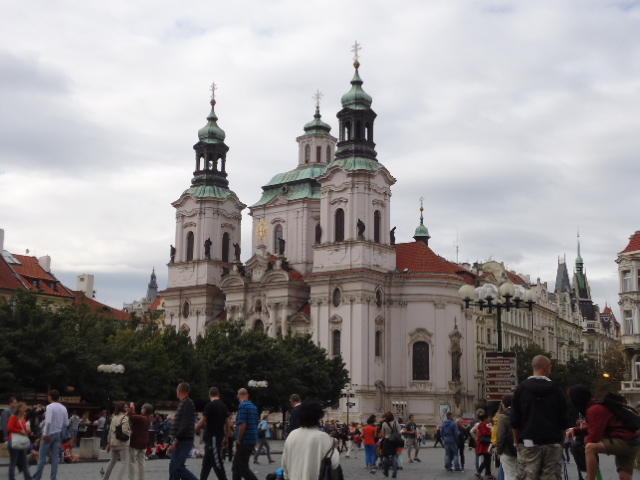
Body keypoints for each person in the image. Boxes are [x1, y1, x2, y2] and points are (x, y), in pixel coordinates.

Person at [511, 355, 568, 480]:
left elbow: (515, 420)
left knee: (528, 476)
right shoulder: (556, 389)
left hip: (528, 442)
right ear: (546, 367)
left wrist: (517, 442)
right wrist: (562, 440)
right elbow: (563, 418)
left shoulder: (521, 389)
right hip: (552, 441)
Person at [569, 384, 640, 480]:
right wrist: (576, 431)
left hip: (624, 440)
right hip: (633, 441)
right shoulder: (600, 405)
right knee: (625, 476)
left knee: (590, 447)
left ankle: (590, 478)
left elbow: (594, 437)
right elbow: (598, 426)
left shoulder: (594, 410)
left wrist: (583, 441)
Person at [281, 400, 339, 480]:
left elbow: (284, 463)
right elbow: (334, 463)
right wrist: (334, 447)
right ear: (318, 417)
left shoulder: (292, 435)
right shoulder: (324, 438)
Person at [32, 390, 69, 480]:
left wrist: (45, 434)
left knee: (42, 458)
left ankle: (37, 477)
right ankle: (53, 478)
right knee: (55, 458)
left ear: (50, 397)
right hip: (58, 434)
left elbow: (48, 422)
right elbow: (66, 423)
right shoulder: (63, 408)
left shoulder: (49, 407)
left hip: (49, 434)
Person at [197, 386, 230, 480]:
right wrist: (226, 438)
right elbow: (227, 423)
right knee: (206, 464)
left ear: (209, 395)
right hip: (218, 436)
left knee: (217, 462)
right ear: (218, 394)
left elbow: (202, 421)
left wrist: (195, 427)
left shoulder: (209, 406)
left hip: (212, 438)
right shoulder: (223, 406)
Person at [168, 382, 198, 480]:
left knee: (178, 467)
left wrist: (175, 442)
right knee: (173, 468)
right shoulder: (184, 403)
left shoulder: (187, 403)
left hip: (184, 440)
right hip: (181, 440)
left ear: (179, 390)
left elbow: (184, 426)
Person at [232, 388, 259, 480]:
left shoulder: (243, 406)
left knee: (242, 468)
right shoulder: (254, 407)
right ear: (247, 395)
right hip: (252, 439)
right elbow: (255, 423)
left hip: (244, 440)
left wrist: (239, 439)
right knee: (236, 467)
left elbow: (243, 424)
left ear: (239, 396)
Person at [103, 401, 131, 480]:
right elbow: (125, 431)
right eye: (125, 407)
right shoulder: (125, 417)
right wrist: (130, 432)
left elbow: (110, 432)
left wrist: (108, 443)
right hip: (122, 443)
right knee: (124, 462)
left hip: (113, 443)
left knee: (112, 461)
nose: (127, 408)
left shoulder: (114, 417)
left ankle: (105, 478)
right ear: (122, 408)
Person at [8, 402, 33, 480]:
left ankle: (28, 477)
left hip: (21, 441)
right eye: (23, 408)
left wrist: (28, 431)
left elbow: (24, 429)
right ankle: (12, 478)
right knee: (13, 462)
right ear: (19, 409)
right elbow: (10, 428)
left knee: (24, 462)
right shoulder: (13, 417)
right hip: (14, 441)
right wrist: (20, 431)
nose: (25, 409)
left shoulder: (23, 418)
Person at [128, 402, 152, 480]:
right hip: (144, 444)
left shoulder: (142, 418)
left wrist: (132, 407)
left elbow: (131, 416)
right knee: (141, 463)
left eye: (142, 408)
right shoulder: (148, 419)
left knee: (132, 462)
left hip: (135, 443)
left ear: (145, 410)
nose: (141, 409)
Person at [496, 396, 517, 480]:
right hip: (520, 449)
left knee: (509, 475)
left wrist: (499, 451)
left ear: (503, 404)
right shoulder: (520, 414)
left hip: (507, 450)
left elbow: (501, 436)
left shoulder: (503, 417)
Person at [380, 411, 402, 478]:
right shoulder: (396, 423)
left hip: (387, 441)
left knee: (386, 456)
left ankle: (386, 471)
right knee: (394, 455)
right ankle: (394, 471)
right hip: (395, 441)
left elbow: (382, 434)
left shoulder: (384, 424)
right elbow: (399, 432)